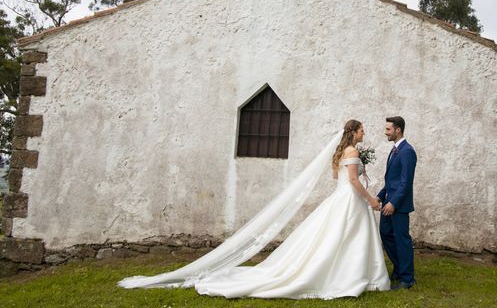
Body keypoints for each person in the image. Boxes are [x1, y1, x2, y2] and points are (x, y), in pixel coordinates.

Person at [119, 120, 390, 299]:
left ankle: (351, 273)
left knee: (340, 238)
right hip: (350, 199)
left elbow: (339, 178)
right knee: (345, 237)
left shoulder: (342, 153)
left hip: (341, 197)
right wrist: (370, 199)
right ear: (353, 133)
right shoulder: (353, 153)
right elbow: (353, 180)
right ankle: (352, 276)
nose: (364, 133)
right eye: (362, 130)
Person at [377, 116, 418, 290]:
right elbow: (391, 180)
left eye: (388, 129)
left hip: (398, 205)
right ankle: (400, 268)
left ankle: (407, 279)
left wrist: (393, 203)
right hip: (388, 202)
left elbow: (405, 182)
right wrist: (380, 196)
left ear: (398, 129)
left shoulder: (407, 151)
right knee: (385, 233)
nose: (386, 132)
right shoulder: (395, 150)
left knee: (402, 240)